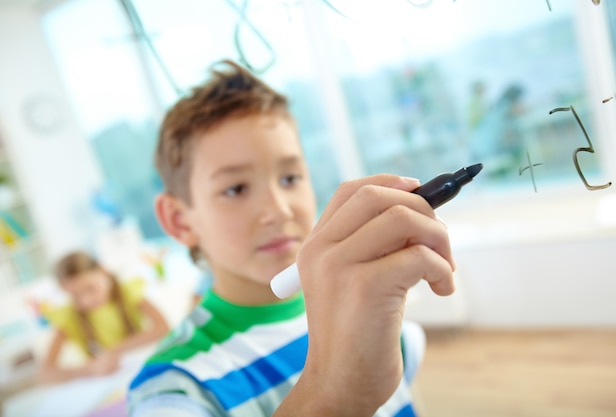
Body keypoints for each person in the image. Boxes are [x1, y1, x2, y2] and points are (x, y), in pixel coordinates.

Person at [127, 60, 455, 416]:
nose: (280, 209)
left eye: (290, 178)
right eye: (236, 188)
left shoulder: (365, 313)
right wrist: (333, 393)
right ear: (179, 220)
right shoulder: (175, 386)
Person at [38, 251, 169, 384]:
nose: (86, 300)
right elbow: (46, 374)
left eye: (90, 288)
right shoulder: (68, 316)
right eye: (75, 295)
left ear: (102, 271)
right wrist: (90, 369)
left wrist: (113, 350)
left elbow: (163, 328)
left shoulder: (127, 291)